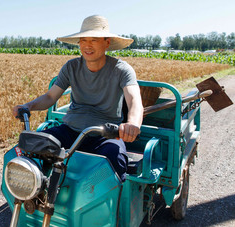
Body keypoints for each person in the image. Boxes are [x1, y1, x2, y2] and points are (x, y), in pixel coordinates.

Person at [13, 15, 143, 182]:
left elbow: (134, 101)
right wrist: (28, 106)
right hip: (70, 130)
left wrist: (132, 124)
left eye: (94, 40)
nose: (87, 45)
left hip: (105, 136)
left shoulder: (122, 69)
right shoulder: (71, 67)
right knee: (33, 147)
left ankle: (109, 207)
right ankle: (35, 197)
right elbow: (50, 96)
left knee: (115, 159)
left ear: (107, 42)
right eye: (83, 40)